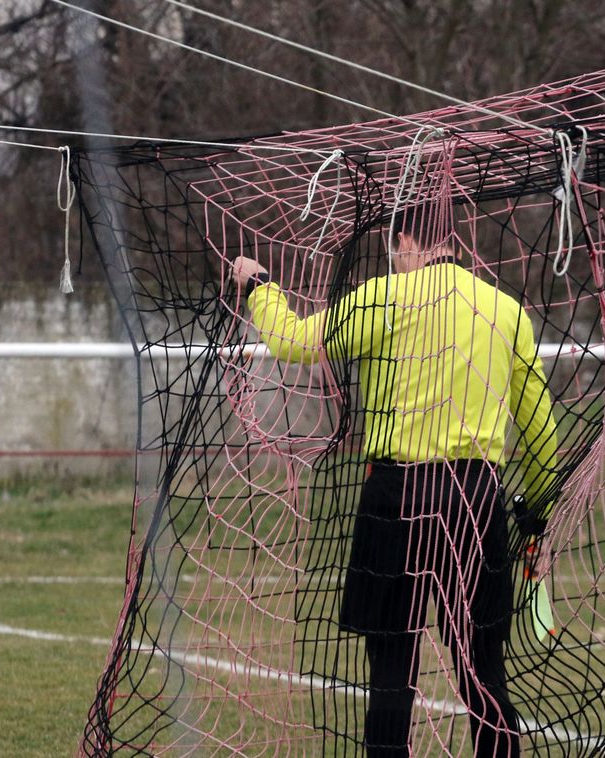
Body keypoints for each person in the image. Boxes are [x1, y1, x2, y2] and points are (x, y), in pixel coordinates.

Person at [230, 210, 558, 758]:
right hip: (476, 499)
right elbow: (540, 429)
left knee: (390, 667)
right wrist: (537, 514)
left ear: (405, 240)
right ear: (456, 238)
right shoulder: (507, 312)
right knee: (484, 667)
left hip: (398, 497)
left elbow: (293, 342)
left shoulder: (384, 297)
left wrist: (259, 287)